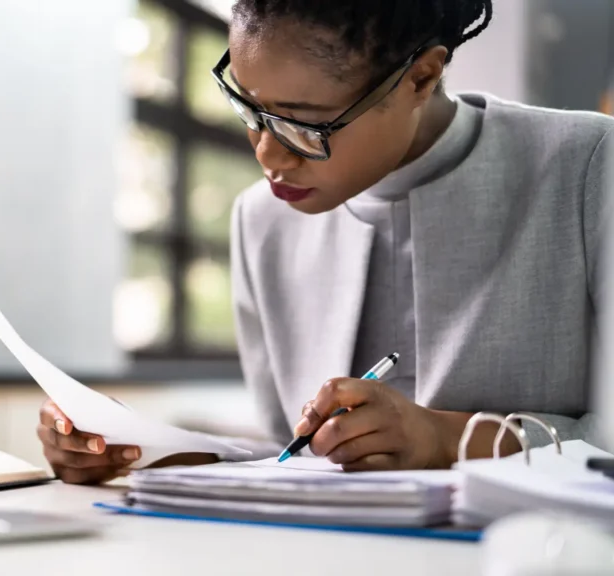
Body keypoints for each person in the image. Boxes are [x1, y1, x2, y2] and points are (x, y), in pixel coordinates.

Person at [38, 0, 614, 483]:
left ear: (422, 77)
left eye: (304, 123)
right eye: (249, 106)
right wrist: (139, 448)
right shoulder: (262, 222)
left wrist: (445, 438)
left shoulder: (588, 167)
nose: (266, 152)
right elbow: (291, 457)